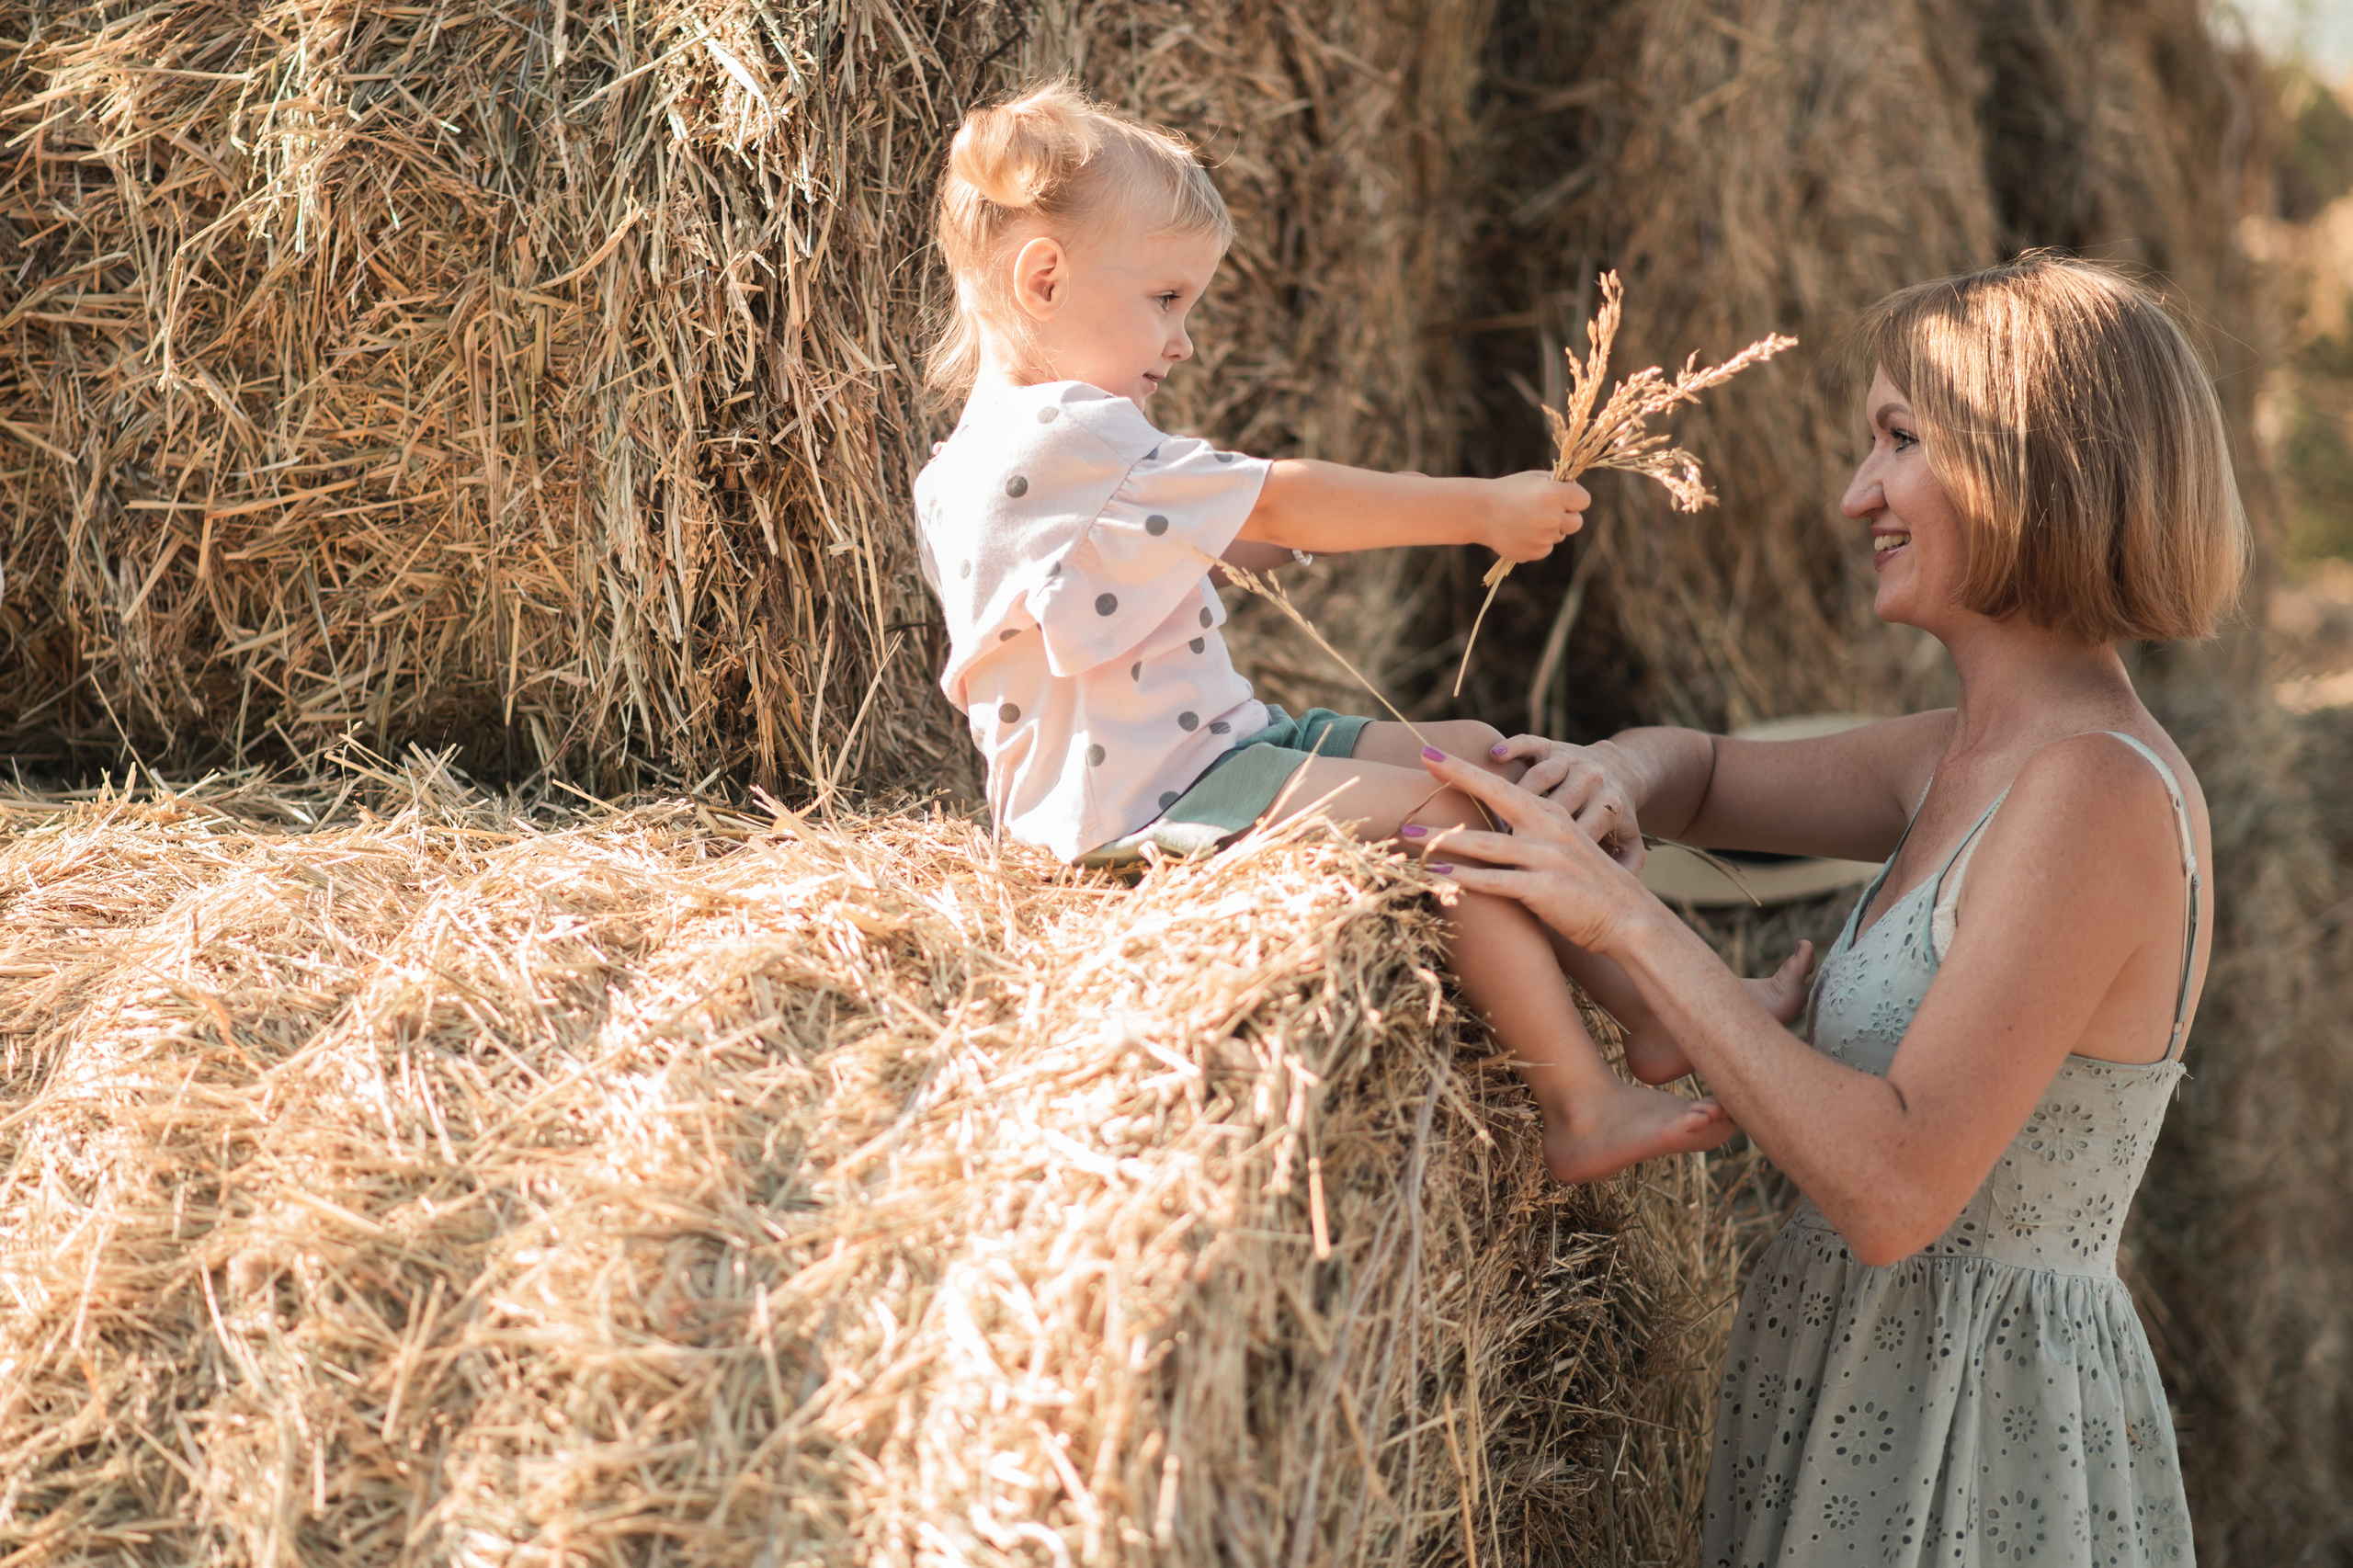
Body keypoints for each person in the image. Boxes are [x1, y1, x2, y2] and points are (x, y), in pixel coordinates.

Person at [1414, 255, 2244, 1565]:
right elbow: (1705, 773)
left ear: (2030, 460)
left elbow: (1895, 1188)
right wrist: (1612, 773)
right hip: (1859, 1383)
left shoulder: (2097, 790)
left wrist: (1628, 927)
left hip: (1972, 1441)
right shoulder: (1955, 755)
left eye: (1900, 441)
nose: (1858, 494)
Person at [915, 81, 1806, 1180]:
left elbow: (1084, 572)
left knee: (1476, 749)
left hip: (1216, 752)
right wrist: (1475, 508)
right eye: (1165, 299)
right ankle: (1580, 1102)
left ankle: (1661, 1009)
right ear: (1042, 278)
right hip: (1131, 811)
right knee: (1445, 810)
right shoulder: (1060, 433)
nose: (1183, 341)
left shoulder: (1005, 454)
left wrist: (1220, 543)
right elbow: (1286, 496)